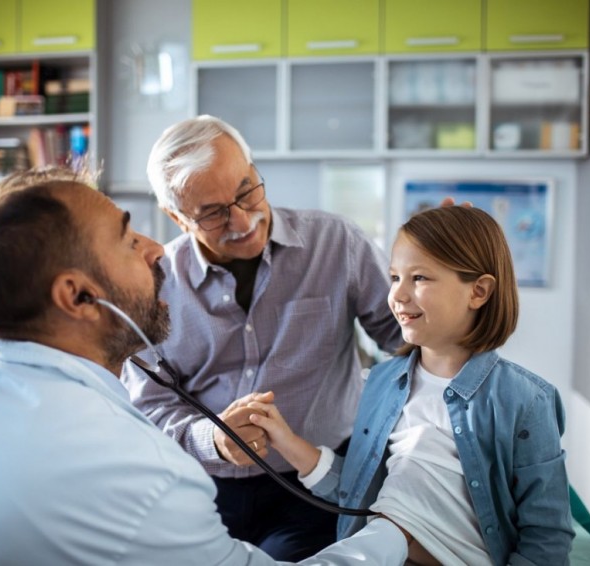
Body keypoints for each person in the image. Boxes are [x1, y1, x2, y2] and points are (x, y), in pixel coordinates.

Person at [0, 166, 412, 565]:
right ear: (77, 297)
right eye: (128, 239)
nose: (155, 250)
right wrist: (393, 531)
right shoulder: (131, 471)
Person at [122, 115, 403, 560]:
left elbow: (404, 337)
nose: (243, 219)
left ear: (253, 168)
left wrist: (442, 284)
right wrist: (210, 440)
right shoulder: (155, 284)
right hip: (203, 489)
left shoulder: (336, 243)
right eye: (213, 212)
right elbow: (148, 406)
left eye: (246, 189)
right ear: (176, 217)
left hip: (318, 478)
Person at [248, 205, 575, 565]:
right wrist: (285, 439)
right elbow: (357, 491)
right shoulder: (381, 383)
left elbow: (547, 535)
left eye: (419, 278)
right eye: (394, 277)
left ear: (478, 292)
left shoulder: (525, 401)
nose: (398, 295)